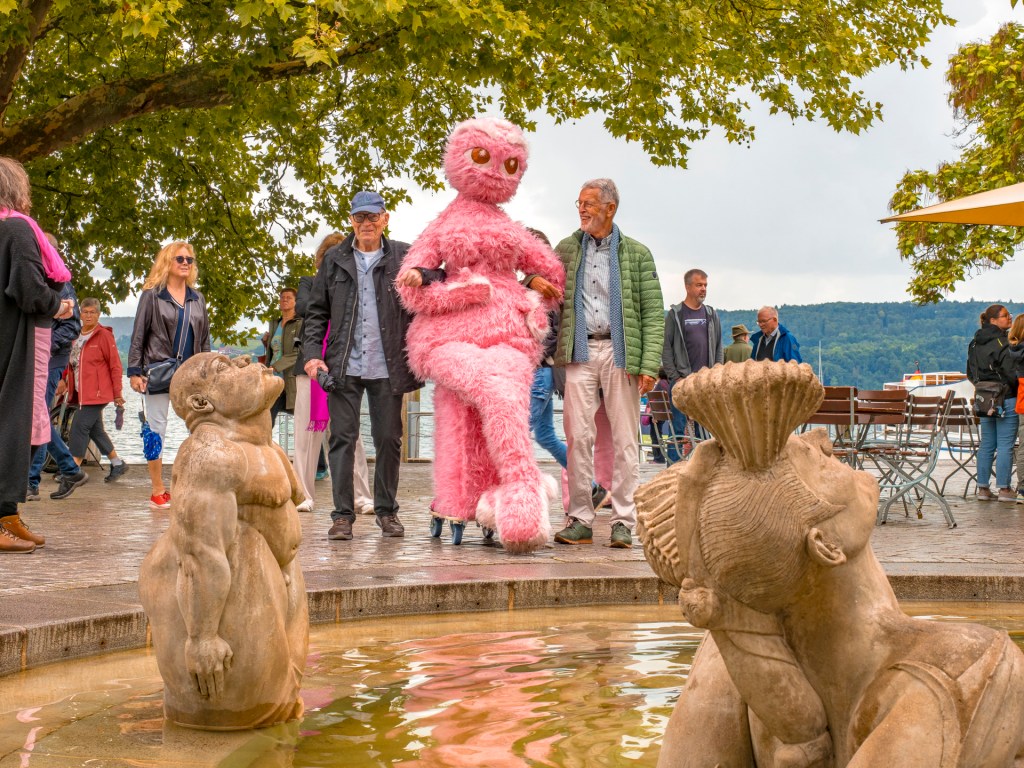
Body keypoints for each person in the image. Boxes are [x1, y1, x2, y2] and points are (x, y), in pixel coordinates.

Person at [551, 178, 664, 548]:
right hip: (580, 352)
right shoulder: (567, 248)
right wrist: (535, 277)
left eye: (589, 203)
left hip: (621, 352)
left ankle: (623, 521)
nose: (582, 209)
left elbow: (652, 313)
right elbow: (543, 280)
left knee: (625, 439)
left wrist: (649, 365)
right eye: (578, 203)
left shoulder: (637, 254)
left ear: (610, 208)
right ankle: (581, 517)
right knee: (578, 437)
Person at [302, 191, 421, 541]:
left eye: (372, 217)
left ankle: (386, 512)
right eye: (359, 217)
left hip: (388, 366)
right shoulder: (335, 259)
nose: (366, 223)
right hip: (343, 367)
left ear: (385, 218)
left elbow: (436, 275)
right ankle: (342, 516)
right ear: (351, 220)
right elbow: (316, 313)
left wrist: (423, 275)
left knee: (388, 439)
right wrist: (312, 355)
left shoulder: (404, 255)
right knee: (342, 440)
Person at [0, 156, 72, 553]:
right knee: (14, 426)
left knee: (13, 426)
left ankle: (6, 514)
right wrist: (58, 306)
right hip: (14, 341)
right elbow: (29, 290)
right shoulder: (17, 229)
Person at [292, 233, 375, 515]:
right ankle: (302, 494)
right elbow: (304, 307)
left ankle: (362, 496)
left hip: (344, 367)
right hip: (311, 370)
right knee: (306, 435)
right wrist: (327, 283)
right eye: (331, 256)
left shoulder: (358, 286)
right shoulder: (309, 282)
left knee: (351, 434)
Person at [127, 241, 211, 510]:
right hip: (159, 369)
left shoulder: (198, 299)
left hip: (191, 373)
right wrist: (134, 371)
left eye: (190, 259)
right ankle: (157, 489)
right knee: (156, 429)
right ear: (167, 262)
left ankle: (194, 485)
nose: (186, 263)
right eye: (180, 259)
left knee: (199, 428)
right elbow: (139, 334)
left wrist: (207, 370)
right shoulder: (152, 295)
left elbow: (205, 339)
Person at [51, 298, 128, 499]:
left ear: (98, 314)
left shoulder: (103, 335)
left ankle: (72, 470)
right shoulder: (76, 335)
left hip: (98, 392)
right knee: (96, 430)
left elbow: (115, 365)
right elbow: (72, 364)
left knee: (79, 426)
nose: (88, 315)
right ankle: (117, 464)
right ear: (80, 313)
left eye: (93, 312)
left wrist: (118, 393)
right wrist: (63, 380)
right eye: (85, 312)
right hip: (81, 393)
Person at [26, 250, 86, 501]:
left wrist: (42, 344)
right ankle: (53, 475)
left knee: (37, 414)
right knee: (36, 416)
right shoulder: (35, 281)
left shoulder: (61, 286)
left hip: (50, 359)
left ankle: (33, 480)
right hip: (37, 358)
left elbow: (73, 326)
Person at [661, 268, 723, 461]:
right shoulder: (676, 314)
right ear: (688, 287)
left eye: (705, 285)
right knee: (678, 429)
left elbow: (719, 346)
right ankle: (673, 468)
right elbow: (666, 348)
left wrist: (717, 373)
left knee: (706, 429)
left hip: (705, 382)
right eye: (699, 285)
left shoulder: (711, 314)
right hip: (681, 381)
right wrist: (675, 377)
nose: (703, 289)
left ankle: (703, 469)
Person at [967, 304, 1019, 502]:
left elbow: (970, 373)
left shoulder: (974, 343)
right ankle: (1004, 489)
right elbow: (1010, 372)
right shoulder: (1003, 341)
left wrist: (983, 386)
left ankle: (982, 488)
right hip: (1006, 396)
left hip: (983, 398)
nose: (1009, 319)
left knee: (987, 443)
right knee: (1005, 444)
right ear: (993, 320)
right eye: (1005, 316)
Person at [265, 286, 302, 426]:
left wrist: (276, 366)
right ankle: (265, 447)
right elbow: (274, 350)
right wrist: (265, 343)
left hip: (291, 380)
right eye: (282, 297)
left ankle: (319, 449)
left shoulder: (299, 324)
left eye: (289, 297)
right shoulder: (275, 324)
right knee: (267, 419)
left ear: (296, 302)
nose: (284, 300)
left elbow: (298, 351)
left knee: (303, 421)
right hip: (274, 380)